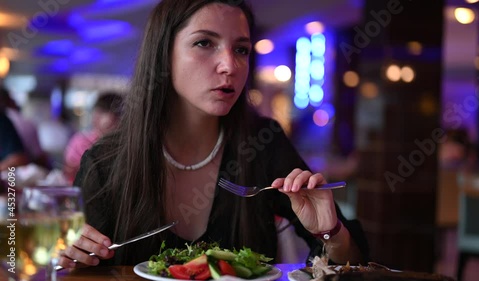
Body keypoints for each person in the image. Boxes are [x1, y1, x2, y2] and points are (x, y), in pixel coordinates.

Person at [59, 0, 369, 269]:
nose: (230, 65)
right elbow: (75, 263)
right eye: (205, 43)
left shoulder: (262, 142)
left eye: (241, 49)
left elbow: (353, 262)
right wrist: (70, 255)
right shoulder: (106, 163)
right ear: (163, 53)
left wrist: (329, 232)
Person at [63, 93, 123, 182]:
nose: (96, 117)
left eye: (103, 112)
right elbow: (70, 172)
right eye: (96, 112)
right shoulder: (80, 141)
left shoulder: (126, 145)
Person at [0, 87, 49, 169]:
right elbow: (40, 157)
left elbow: (18, 159)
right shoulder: (26, 122)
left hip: (16, 174)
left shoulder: (4, 120)